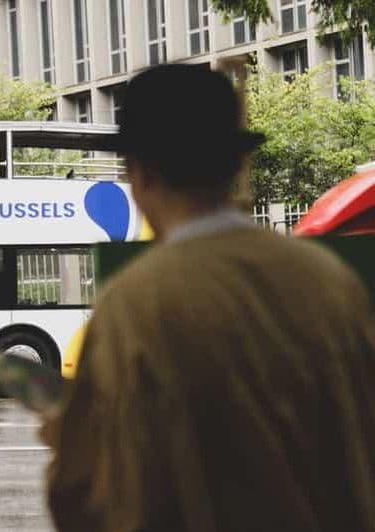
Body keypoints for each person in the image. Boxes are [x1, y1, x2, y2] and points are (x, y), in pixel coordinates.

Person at [44, 64, 375, 532]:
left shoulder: (134, 303)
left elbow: (85, 499)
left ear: (140, 172)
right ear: (235, 164)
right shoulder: (330, 280)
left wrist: (64, 439)